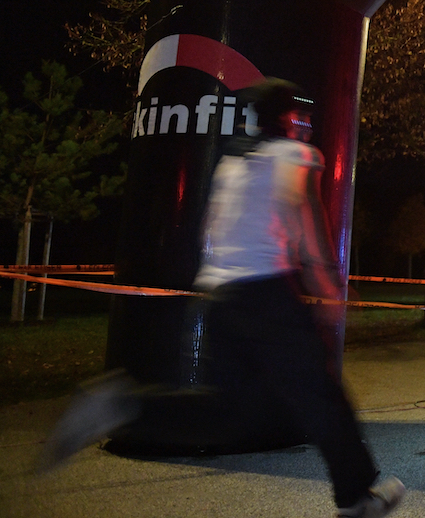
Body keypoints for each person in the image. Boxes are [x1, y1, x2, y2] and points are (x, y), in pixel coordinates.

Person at [42, 78, 404, 518]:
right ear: (286, 118)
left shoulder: (230, 166)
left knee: (224, 413)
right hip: (267, 294)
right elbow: (306, 227)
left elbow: (208, 233)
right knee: (321, 396)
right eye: (297, 115)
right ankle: (356, 499)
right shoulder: (295, 155)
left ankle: (123, 406)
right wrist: (329, 289)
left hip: (220, 297)